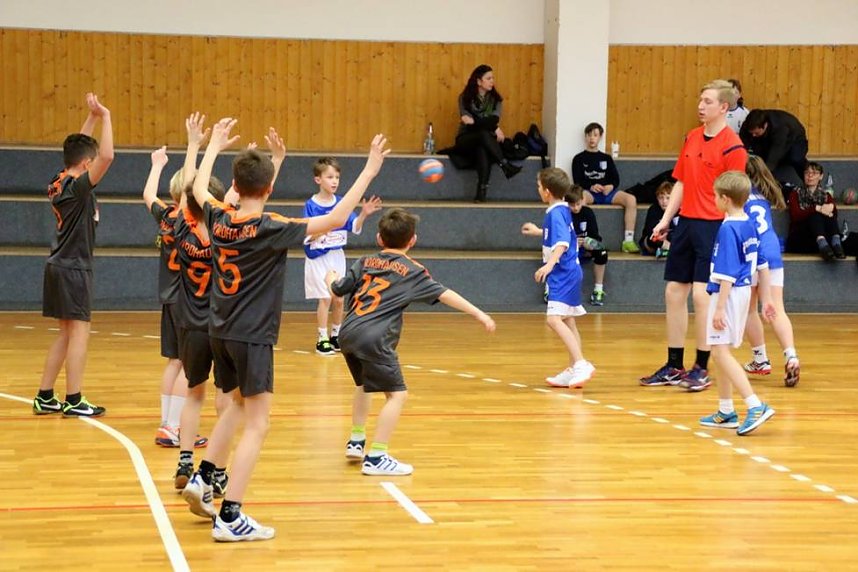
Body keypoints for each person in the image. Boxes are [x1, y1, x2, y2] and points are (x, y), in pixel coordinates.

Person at [181, 117, 388, 542]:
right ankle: (230, 516)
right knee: (258, 423)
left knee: (237, 405)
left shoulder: (219, 216)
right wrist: (368, 170)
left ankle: (203, 477)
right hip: (252, 335)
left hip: (219, 329)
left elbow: (199, 188)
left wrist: (212, 146)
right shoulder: (271, 226)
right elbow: (336, 218)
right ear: (269, 188)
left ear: (235, 185)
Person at [327, 208, 495, 476]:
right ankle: (377, 457)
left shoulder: (365, 261)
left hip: (348, 332)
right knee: (397, 395)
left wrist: (330, 278)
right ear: (413, 240)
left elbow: (337, 289)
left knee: (363, 385)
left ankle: (357, 440)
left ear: (379, 238)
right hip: (374, 338)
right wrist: (478, 313)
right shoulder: (413, 271)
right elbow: (445, 294)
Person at [641, 79, 748, 392]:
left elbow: (736, 196)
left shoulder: (734, 147)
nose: (701, 106)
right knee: (674, 292)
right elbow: (681, 182)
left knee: (702, 297)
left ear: (724, 107)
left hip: (714, 227)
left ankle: (701, 366)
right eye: (700, 100)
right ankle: (674, 365)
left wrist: (729, 235)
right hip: (686, 223)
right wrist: (665, 220)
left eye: (708, 101)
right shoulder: (691, 137)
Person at [32, 93, 113, 418]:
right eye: (90, 164)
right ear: (85, 165)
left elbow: (81, 151)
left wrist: (90, 119)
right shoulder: (79, 188)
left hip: (58, 264)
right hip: (73, 267)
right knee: (79, 332)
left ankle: (45, 395)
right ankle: (74, 398)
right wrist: (106, 117)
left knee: (66, 334)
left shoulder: (58, 180)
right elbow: (106, 156)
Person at [699, 170, 776, 436]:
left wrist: (719, 307)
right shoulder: (749, 224)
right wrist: (766, 298)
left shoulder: (728, 228)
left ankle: (755, 405)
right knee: (721, 352)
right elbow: (762, 264)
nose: (714, 200)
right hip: (743, 294)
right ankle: (725, 410)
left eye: (715, 196)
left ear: (726, 199)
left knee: (719, 351)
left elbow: (727, 272)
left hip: (729, 294)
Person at [521, 168, 596, 388]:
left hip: (563, 274)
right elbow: (561, 234)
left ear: (546, 192)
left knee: (553, 319)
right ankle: (574, 369)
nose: (537, 189)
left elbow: (562, 243)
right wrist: (539, 231)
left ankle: (581, 364)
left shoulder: (555, 213)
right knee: (568, 320)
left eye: (538, 186)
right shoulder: (561, 208)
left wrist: (549, 264)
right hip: (571, 272)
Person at [303, 157, 382, 356]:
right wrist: (326, 227)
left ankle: (335, 336)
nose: (335, 181)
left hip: (336, 255)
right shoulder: (311, 205)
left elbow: (354, 227)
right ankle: (321, 338)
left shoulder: (342, 203)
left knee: (338, 299)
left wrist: (363, 214)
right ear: (318, 179)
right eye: (330, 177)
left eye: (337, 177)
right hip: (318, 256)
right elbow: (307, 233)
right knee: (325, 298)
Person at [742, 155, 801, 386]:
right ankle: (791, 355)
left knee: (749, 310)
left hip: (752, 252)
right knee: (777, 308)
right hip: (772, 250)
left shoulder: (738, 193)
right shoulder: (763, 194)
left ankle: (760, 359)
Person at [455, 64, 521, 202]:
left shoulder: (496, 100)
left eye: (493, 78)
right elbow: (468, 124)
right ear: (479, 81)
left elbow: (492, 120)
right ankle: (504, 165)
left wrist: (483, 123)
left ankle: (481, 191)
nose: (492, 81)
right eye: (488, 78)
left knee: (482, 147)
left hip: (485, 140)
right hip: (466, 138)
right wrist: (494, 127)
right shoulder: (465, 98)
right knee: (483, 134)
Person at [571, 122, 640, 253]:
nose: (592, 138)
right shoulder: (578, 158)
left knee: (631, 199)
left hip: (607, 193)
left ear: (600, 137)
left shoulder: (606, 158)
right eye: (589, 135)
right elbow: (577, 181)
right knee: (580, 199)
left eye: (595, 135)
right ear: (585, 137)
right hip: (590, 192)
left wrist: (610, 186)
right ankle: (584, 240)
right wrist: (591, 186)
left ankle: (628, 240)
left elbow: (615, 179)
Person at [787, 161, 845, 260]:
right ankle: (825, 245)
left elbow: (833, 215)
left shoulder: (826, 195)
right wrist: (816, 208)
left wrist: (831, 207)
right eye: (807, 173)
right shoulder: (795, 194)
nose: (810, 176)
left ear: (821, 176)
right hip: (800, 238)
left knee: (829, 215)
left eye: (814, 173)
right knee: (815, 215)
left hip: (820, 238)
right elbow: (795, 216)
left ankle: (836, 244)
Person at [565, 185, 610, 306]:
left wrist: (588, 243)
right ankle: (552, 289)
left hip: (585, 246)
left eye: (578, 204)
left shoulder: (588, 212)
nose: (575, 208)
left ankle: (598, 290)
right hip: (568, 247)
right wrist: (573, 242)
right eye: (572, 205)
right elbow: (558, 237)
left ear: (582, 200)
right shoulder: (563, 214)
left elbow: (595, 236)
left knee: (602, 252)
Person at [740, 108, 808, 187]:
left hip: (795, 138)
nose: (753, 135)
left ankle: (810, 179)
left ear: (765, 125)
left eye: (756, 133)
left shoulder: (780, 127)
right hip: (769, 138)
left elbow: (775, 154)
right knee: (759, 157)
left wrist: (764, 173)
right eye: (751, 133)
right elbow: (742, 145)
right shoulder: (747, 125)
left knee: (796, 158)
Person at [638, 181, 675, 258]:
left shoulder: (679, 211)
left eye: (668, 198)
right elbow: (650, 229)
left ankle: (668, 250)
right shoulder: (654, 209)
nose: (664, 201)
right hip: (656, 241)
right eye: (661, 198)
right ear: (657, 198)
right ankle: (669, 249)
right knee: (652, 239)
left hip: (672, 238)